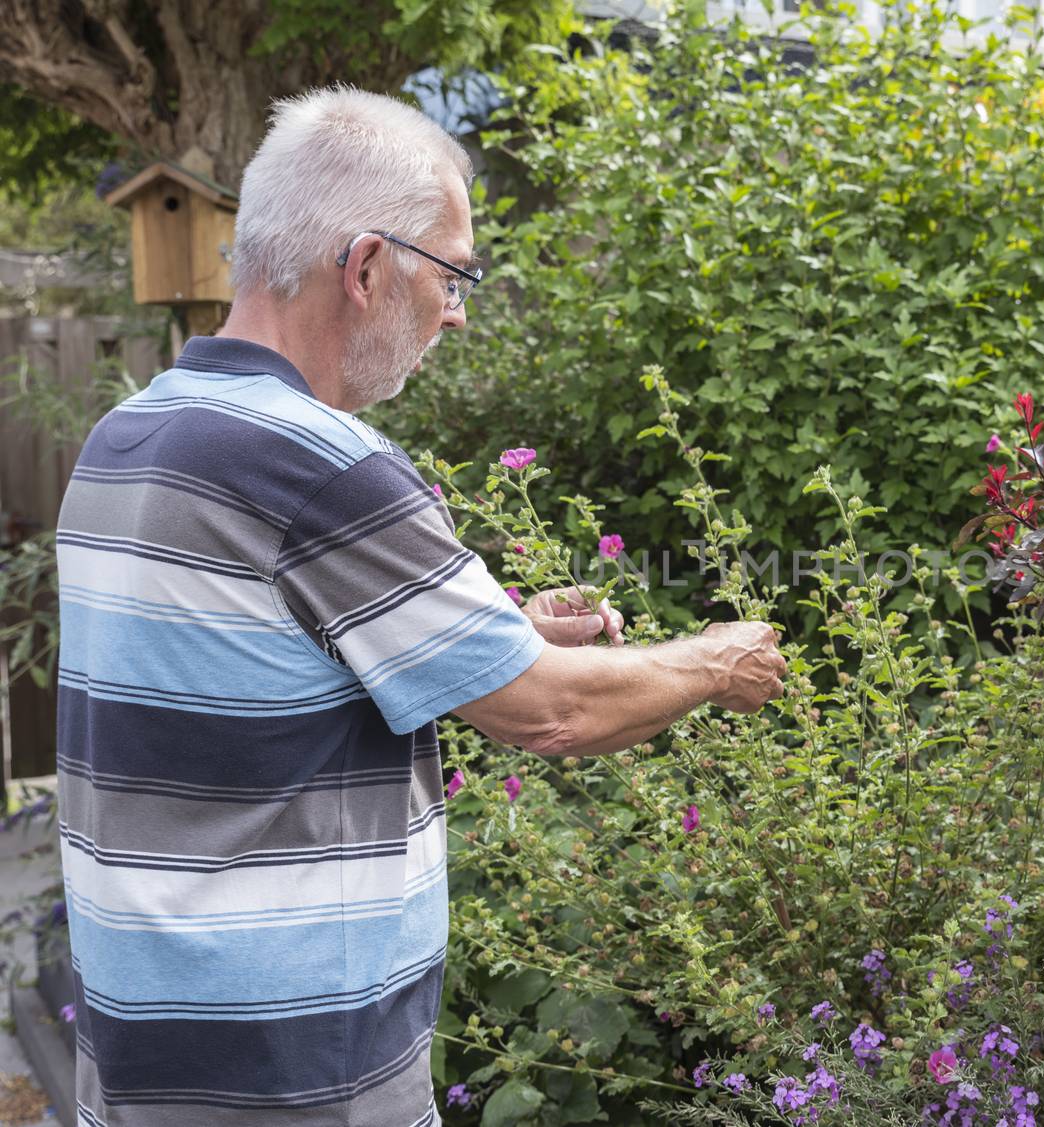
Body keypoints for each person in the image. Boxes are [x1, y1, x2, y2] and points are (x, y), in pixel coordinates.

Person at [54, 86, 786, 1126]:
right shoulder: (318, 462)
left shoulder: (128, 437)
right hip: (299, 1074)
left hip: (140, 1062)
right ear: (363, 268)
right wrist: (715, 659)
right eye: (451, 274)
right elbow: (554, 712)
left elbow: (239, 661)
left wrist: (487, 633)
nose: (456, 308)